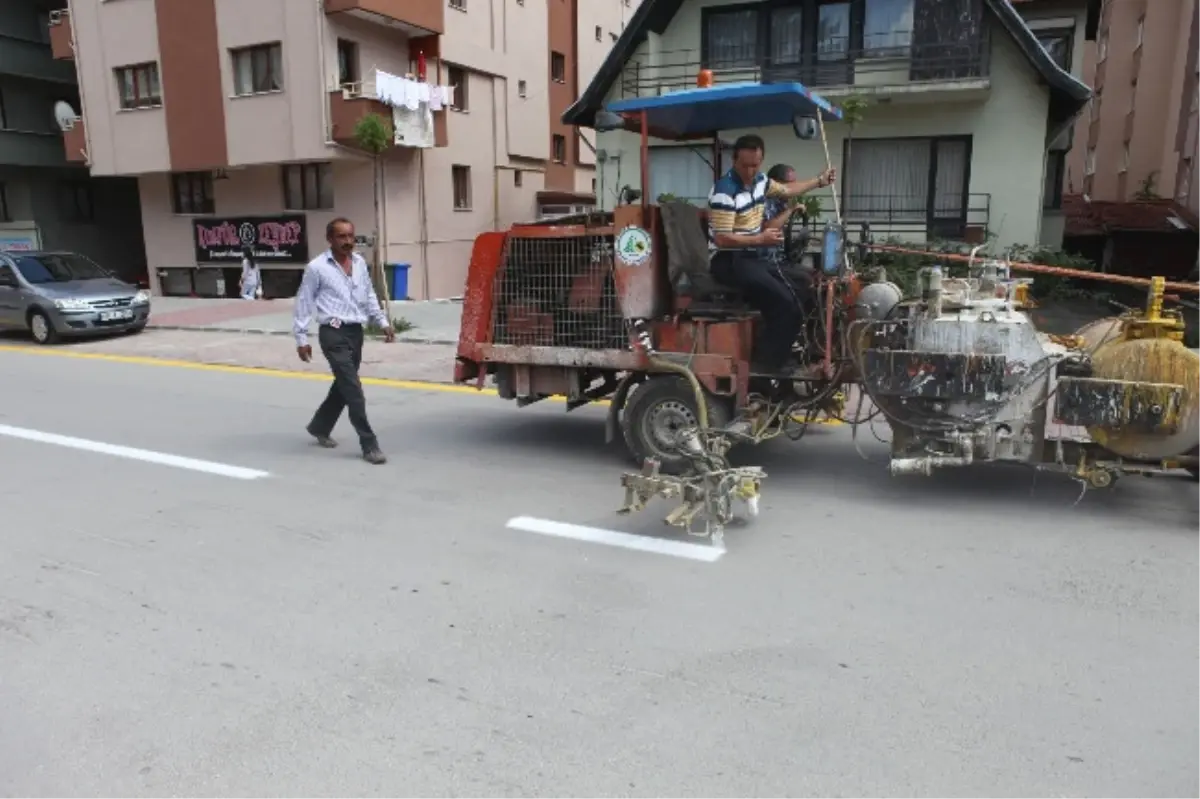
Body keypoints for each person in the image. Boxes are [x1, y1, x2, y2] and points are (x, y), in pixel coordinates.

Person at [708, 135, 835, 373]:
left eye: (755, 165)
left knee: (808, 284)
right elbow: (721, 238)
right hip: (728, 259)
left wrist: (819, 181)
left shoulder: (761, 181)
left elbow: (787, 190)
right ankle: (764, 370)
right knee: (786, 304)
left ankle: (794, 351)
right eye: (745, 165)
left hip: (753, 257)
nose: (750, 171)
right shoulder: (724, 190)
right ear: (734, 161)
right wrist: (760, 239)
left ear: (761, 161)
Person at [293, 217, 395, 465]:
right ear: (330, 239)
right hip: (333, 333)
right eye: (341, 236)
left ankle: (319, 426)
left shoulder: (359, 262)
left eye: (350, 236)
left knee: (343, 385)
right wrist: (301, 337)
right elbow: (304, 302)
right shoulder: (317, 267)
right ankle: (369, 445)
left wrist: (382, 322)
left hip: (355, 333)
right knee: (354, 390)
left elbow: (369, 294)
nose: (347, 241)